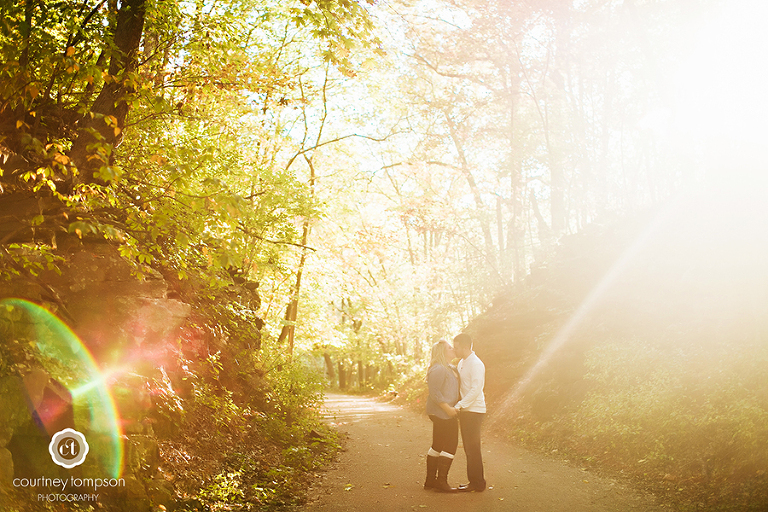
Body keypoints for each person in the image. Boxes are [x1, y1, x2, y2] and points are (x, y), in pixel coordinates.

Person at [424, 340, 460, 492]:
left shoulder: (451, 368)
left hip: (446, 411)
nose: (453, 349)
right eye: (449, 347)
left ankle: (431, 481)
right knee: (451, 444)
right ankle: (441, 482)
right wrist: (448, 409)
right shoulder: (438, 369)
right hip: (441, 412)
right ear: (442, 352)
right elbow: (435, 393)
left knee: (438, 444)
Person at [453, 332, 486, 492]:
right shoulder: (461, 363)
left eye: (457, 347)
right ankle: (474, 482)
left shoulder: (476, 364)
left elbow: (476, 389)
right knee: (468, 448)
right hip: (466, 410)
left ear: (466, 347)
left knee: (473, 448)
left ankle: (478, 483)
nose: (454, 350)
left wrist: (459, 405)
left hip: (475, 410)